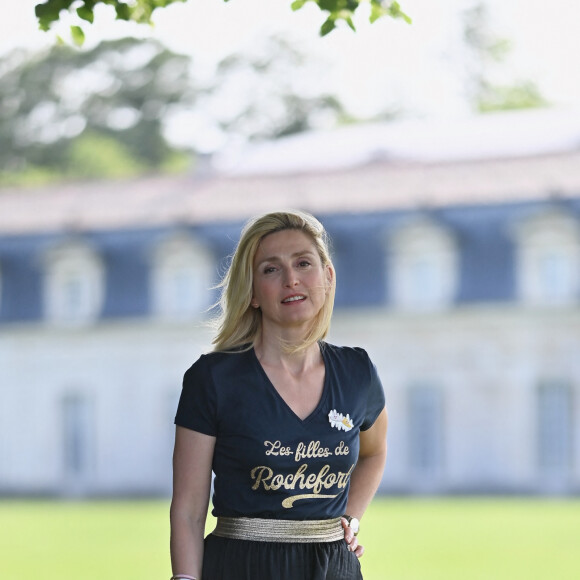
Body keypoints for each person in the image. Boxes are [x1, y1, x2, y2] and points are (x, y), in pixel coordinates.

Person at [170, 210, 388, 580]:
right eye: (271, 269)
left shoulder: (357, 372)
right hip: (240, 567)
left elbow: (374, 451)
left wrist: (350, 517)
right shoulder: (212, 379)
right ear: (252, 291)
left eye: (304, 263)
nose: (291, 279)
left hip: (332, 569)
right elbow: (189, 510)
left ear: (327, 276)